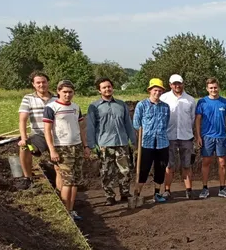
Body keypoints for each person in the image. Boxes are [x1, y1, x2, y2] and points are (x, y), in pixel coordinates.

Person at [43, 80, 90, 220]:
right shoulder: (51, 107)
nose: (67, 95)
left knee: (75, 181)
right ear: (58, 92)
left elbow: (81, 128)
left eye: (70, 92)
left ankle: (71, 209)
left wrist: (85, 146)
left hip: (77, 146)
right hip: (62, 147)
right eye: (64, 92)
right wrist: (52, 150)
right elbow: (47, 130)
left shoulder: (76, 107)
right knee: (67, 181)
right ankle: (65, 212)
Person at [86, 77, 136, 205]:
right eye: (104, 87)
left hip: (122, 142)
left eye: (109, 86)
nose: (107, 89)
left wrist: (133, 140)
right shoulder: (94, 107)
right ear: (99, 90)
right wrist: (91, 144)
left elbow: (128, 123)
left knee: (124, 170)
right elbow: (91, 126)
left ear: (112, 88)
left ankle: (125, 193)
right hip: (104, 144)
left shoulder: (121, 105)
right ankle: (109, 196)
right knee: (107, 172)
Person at [132, 78, 171, 204]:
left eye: (160, 90)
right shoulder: (142, 105)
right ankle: (137, 194)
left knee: (160, 169)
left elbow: (167, 123)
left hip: (162, 143)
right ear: (150, 90)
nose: (157, 93)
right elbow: (136, 124)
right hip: (146, 143)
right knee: (143, 170)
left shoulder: (165, 107)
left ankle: (157, 194)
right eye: (155, 90)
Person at [17, 71, 58, 190]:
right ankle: (27, 178)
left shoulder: (56, 98)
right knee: (24, 147)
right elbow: (22, 120)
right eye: (38, 83)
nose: (41, 85)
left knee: (60, 162)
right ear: (33, 84)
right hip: (38, 136)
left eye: (44, 82)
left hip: (56, 135)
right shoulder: (28, 98)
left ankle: (61, 184)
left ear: (48, 83)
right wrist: (24, 138)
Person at [195, 78, 226, 199]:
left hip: (222, 137)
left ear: (219, 88)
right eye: (211, 88)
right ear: (207, 89)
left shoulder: (225, 102)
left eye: (215, 87)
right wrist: (198, 136)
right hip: (207, 137)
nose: (213, 90)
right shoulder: (202, 102)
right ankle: (205, 188)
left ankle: (222, 189)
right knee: (206, 162)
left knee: (222, 163)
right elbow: (197, 120)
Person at [160, 74, 196, 199]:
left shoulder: (190, 100)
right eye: (174, 84)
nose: (177, 86)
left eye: (179, 83)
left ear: (183, 84)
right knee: (169, 165)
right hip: (169, 136)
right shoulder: (164, 98)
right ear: (170, 85)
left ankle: (189, 190)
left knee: (187, 165)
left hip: (186, 137)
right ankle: (167, 190)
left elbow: (192, 118)